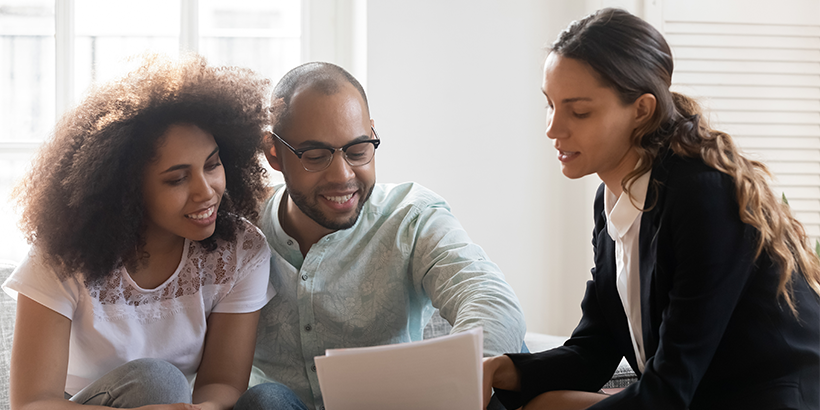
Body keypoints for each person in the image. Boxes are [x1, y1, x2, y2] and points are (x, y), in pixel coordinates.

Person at [482, 8, 820, 410]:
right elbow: (595, 348)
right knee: (532, 400)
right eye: (549, 105)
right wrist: (500, 369)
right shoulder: (611, 199)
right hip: (685, 395)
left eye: (579, 111)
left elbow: (670, 390)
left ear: (641, 110)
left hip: (759, 400)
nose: (553, 129)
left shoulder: (703, 195)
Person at [234, 62, 526, 410]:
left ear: (372, 133)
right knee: (266, 401)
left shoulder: (411, 217)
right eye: (315, 156)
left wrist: (458, 382)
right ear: (274, 153)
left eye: (358, 151)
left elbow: (489, 298)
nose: (343, 175)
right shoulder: (238, 230)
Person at [3, 53, 276, 410]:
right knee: (158, 381)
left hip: (177, 404)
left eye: (212, 165)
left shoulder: (240, 250)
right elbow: (32, 402)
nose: (206, 190)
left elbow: (222, 383)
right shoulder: (63, 254)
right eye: (177, 178)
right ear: (127, 189)